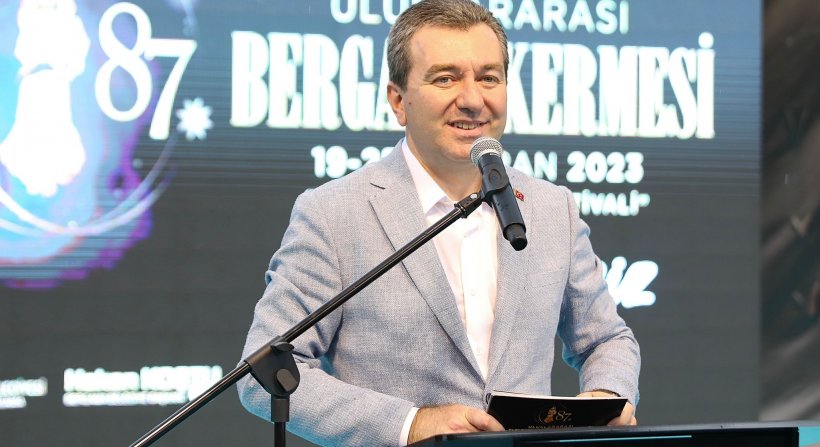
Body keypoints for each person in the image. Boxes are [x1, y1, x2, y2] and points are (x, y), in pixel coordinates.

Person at [238, 1, 640, 446]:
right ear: (398, 101)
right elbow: (263, 375)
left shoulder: (551, 208)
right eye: (445, 78)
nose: (472, 99)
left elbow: (606, 339)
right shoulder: (334, 214)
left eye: (488, 78)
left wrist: (608, 396)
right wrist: (412, 425)